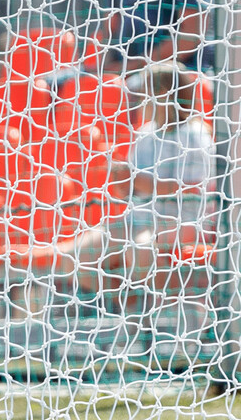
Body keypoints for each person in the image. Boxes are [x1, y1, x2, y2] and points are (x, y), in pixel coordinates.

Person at [51, 62, 214, 311]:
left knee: (139, 252)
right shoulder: (146, 134)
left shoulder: (196, 135)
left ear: (164, 93)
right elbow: (129, 191)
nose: (142, 98)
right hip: (137, 219)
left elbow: (192, 190)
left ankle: (167, 321)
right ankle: (134, 310)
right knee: (74, 259)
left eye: (149, 90)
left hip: (182, 221)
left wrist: (140, 181)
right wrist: (120, 179)